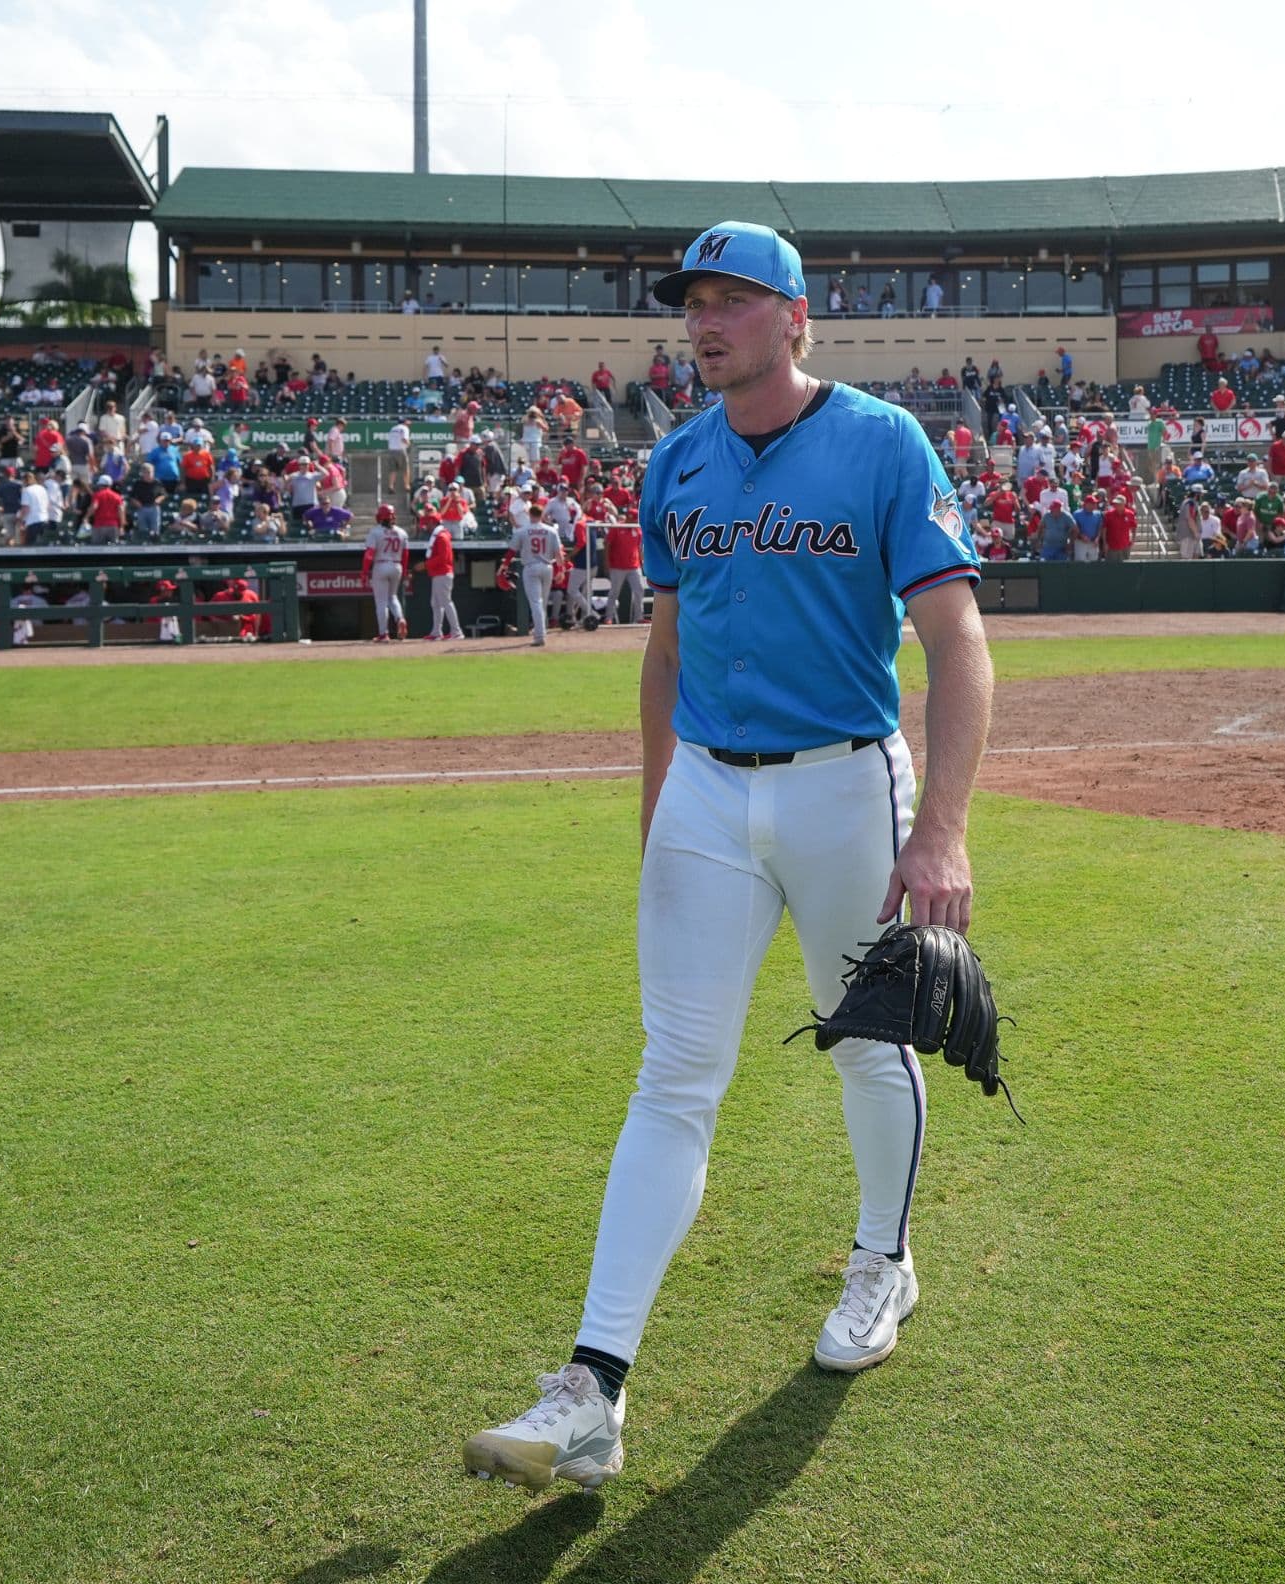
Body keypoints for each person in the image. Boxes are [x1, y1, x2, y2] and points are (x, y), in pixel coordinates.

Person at [464, 220, 992, 1492]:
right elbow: (665, 646)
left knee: (865, 1037)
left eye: (735, 300)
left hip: (843, 786)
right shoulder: (677, 462)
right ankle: (593, 1385)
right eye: (695, 300)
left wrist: (943, 829)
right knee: (673, 1074)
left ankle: (884, 1258)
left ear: (796, 317)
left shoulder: (880, 442)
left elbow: (956, 645)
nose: (707, 321)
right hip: (705, 789)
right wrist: (658, 801)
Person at [506, 507, 563, 646]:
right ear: (542, 514)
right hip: (547, 567)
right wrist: (561, 570)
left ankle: (539, 636)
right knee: (541, 603)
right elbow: (559, 553)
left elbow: (511, 552)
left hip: (531, 568)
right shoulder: (551, 530)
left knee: (536, 602)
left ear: (530, 514)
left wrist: (504, 566)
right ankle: (541, 631)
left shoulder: (522, 530)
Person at [360, 504, 411, 642]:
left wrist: (364, 572)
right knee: (393, 597)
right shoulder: (402, 532)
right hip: (397, 566)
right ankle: (400, 618)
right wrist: (405, 571)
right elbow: (406, 555)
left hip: (381, 564)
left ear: (380, 517)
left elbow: (369, 555)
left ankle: (384, 634)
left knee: (381, 602)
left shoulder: (375, 532)